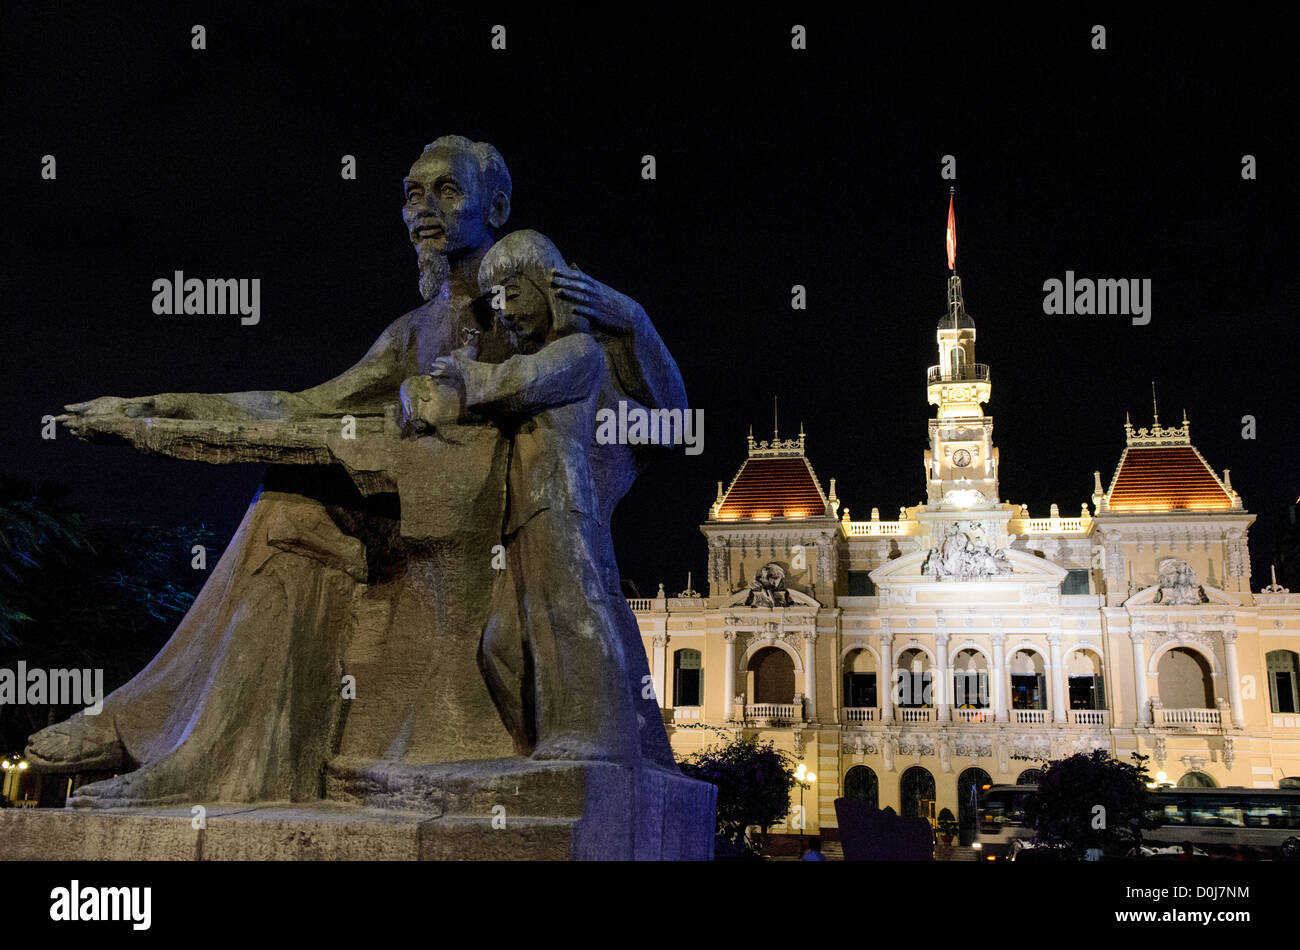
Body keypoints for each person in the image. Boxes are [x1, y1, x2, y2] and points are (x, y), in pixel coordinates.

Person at [403, 230, 645, 763]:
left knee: (572, 613)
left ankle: (595, 738)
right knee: (502, 644)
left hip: (562, 503)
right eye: (497, 301)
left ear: (547, 287)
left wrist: (468, 372)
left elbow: (522, 380)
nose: (506, 311)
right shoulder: (534, 357)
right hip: (524, 513)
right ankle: (541, 739)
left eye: (515, 293)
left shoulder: (578, 352)